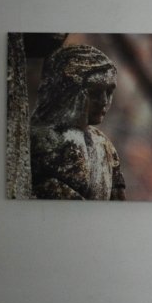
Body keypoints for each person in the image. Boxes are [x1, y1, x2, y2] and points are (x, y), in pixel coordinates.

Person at [30, 44, 126, 200]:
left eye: (109, 92)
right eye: (94, 92)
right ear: (68, 92)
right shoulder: (38, 139)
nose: (104, 101)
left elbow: (118, 201)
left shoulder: (105, 145)